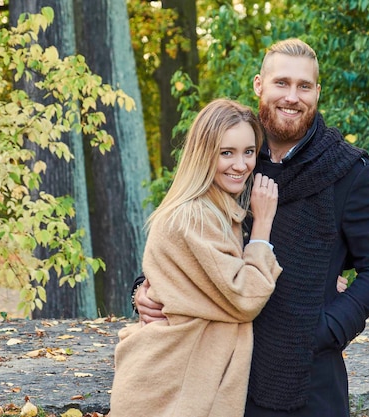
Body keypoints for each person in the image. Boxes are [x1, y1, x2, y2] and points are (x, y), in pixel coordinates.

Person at [133, 39, 369, 417]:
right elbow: (186, 232)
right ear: (260, 85)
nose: (292, 96)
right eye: (281, 83)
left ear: (317, 92)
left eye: (304, 86)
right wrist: (143, 288)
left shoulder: (347, 170)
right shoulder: (232, 154)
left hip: (307, 379)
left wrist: (326, 331)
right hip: (216, 372)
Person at [110, 98, 283, 417]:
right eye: (226, 152)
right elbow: (244, 297)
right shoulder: (195, 216)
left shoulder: (216, 209)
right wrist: (263, 223)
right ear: (204, 154)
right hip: (172, 387)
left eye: (248, 152)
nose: (241, 165)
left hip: (182, 380)